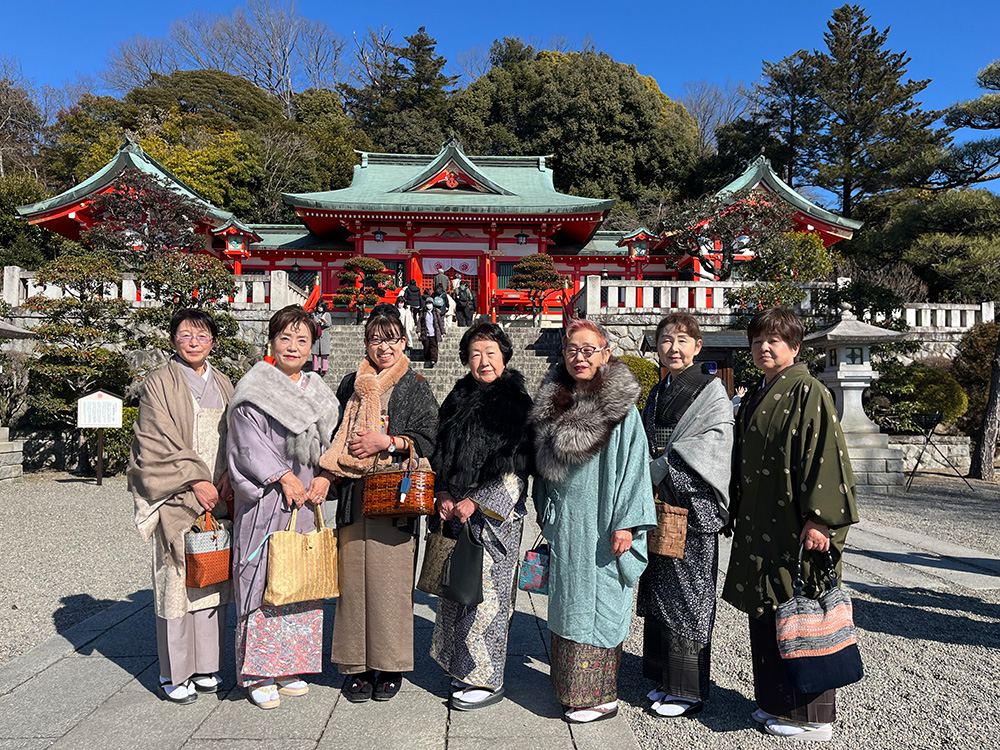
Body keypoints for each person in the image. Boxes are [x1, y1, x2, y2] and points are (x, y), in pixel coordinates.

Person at [724, 307, 859, 742]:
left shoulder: (809, 391)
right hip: (763, 522)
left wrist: (820, 519)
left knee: (804, 613)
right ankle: (777, 703)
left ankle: (815, 714)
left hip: (795, 524)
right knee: (771, 612)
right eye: (758, 339)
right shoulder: (756, 394)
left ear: (795, 347)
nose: (764, 347)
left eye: (775, 341)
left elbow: (826, 458)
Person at [530, 319, 656, 724]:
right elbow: (544, 468)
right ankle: (571, 691)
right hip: (568, 523)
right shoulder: (556, 401)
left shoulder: (620, 408)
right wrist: (547, 507)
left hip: (604, 523)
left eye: (588, 350)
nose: (579, 357)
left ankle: (600, 696)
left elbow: (635, 467)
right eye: (572, 349)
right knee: (568, 604)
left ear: (605, 354)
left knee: (601, 601)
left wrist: (628, 523)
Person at [320, 304, 439, 704]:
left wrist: (388, 442)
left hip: (395, 494)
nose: (383, 346)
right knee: (352, 584)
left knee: (390, 584)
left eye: (391, 338)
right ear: (366, 343)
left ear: (403, 342)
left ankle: (389, 665)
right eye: (375, 338)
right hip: (355, 493)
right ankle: (355, 665)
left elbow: (429, 437)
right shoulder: (351, 384)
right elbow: (333, 430)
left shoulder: (414, 385)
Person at [227, 305, 340, 709]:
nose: (293, 347)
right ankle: (259, 671)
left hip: (307, 500)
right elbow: (245, 443)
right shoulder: (255, 388)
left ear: (313, 347)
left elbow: (334, 445)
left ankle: (290, 663)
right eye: (285, 338)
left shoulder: (319, 392)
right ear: (272, 342)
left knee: (300, 578)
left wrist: (326, 475)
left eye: (302, 340)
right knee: (260, 578)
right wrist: (282, 476)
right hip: (269, 498)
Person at [129, 309, 235, 705]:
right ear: (173, 339)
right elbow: (155, 441)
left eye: (202, 334)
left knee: (210, 580)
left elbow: (234, 437)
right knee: (175, 583)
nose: (194, 341)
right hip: (175, 493)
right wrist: (196, 479)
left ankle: (207, 666)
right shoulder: (158, 383)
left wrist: (226, 478)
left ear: (213, 341)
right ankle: (173, 672)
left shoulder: (224, 382)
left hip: (216, 495)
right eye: (186, 334)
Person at [430, 322, 534, 711]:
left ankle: (486, 679)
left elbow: (516, 471)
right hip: (454, 509)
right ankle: (460, 667)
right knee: (456, 592)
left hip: (492, 517)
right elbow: (440, 451)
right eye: (475, 354)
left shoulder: (518, 403)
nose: (483, 361)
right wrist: (440, 491)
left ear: (504, 356)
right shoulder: (458, 396)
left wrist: (477, 501)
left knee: (487, 597)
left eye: (491, 353)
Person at [637, 312, 734, 718]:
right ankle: (665, 679)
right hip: (661, 502)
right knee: (662, 590)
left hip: (693, 507)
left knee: (690, 596)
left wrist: (664, 466)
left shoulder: (711, 391)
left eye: (682, 340)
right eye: (665, 340)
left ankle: (690, 689)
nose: (673, 348)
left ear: (697, 347)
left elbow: (715, 441)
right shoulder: (657, 392)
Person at [417, 298, 445, 368]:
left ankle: (433, 359)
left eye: (430, 303)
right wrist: (418, 331)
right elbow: (419, 322)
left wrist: (443, 332)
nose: (429, 305)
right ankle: (427, 358)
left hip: (434, 332)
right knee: (426, 346)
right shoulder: (423, 313)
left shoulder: (435, 312)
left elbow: (440, 323)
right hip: (425, 332)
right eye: (427, 303)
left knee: (434, 346)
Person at [311, 301, 332, 376]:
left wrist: (324, 321)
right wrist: (316, 322)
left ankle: (324, 369)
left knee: (324, 353)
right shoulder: (313, 315)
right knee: (315, 353)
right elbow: (311, 324)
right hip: (316, 335)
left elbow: (329, 324)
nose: (320, 308)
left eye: (321, 306)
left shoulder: (327, 315)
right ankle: (315, 369)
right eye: (319, 306)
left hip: (324, 335)